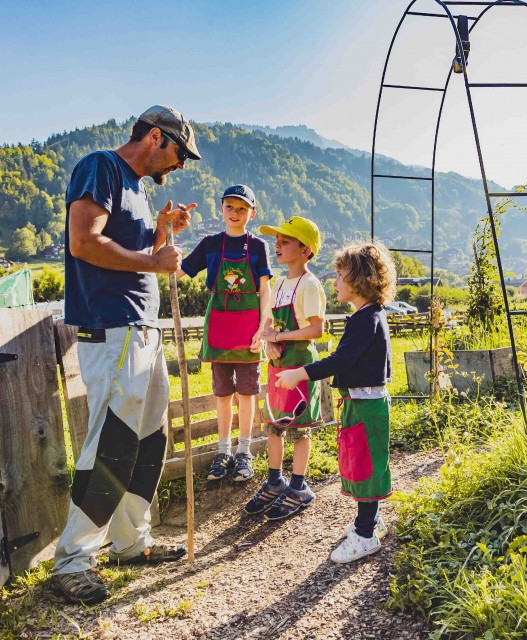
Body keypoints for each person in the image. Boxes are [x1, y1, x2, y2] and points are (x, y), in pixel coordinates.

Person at [53, 105, 201, 604]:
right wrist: (153, 257)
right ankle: (73, 559)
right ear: (156, 136)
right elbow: (83, 243)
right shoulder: (101, 167)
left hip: (142, 327)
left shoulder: (137, 189)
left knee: (149, 436)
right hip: (112, 326)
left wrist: (162, 230)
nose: (179, 165)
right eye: (179, 153)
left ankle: (129, 542)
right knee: (111, 438)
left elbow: (144, 261)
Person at [275, 240, 396, 562]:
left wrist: (300, 373)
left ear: (358, 279)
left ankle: (366, 534)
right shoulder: (368, 316)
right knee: (363, 463)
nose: (335, 281)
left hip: (366, 405)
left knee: (366, 467)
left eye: (340, 275)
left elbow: (341, 361)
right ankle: (372, 521)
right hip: (363, 402)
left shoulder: (365, 319)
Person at [179, 185, 272, 482]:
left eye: (242, 208)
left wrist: (262, 327)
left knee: (247, 392)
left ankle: (244, 451)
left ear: (252, 214)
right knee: (222, 393)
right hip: (219, 325)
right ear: (221, 208)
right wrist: (163, 242)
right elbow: (178, 271)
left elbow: (265, 289)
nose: (235, 213)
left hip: (248, 329)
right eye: (230, 206)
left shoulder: (257, 247)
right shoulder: (209, 244)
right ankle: (223, 452)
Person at [244, 216, 326, 520]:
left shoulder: (309, 284)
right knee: (274, 426)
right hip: (277, 364)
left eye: (286, 241)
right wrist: (269, 341)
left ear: (305, 250)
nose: (277, 245)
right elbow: (268, 321)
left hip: (300, 365)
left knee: (298, 429)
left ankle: (299, 485)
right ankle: (275, 480)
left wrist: (280, 336)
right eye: (277, 240)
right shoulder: (279, 283)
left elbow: (316, 330)